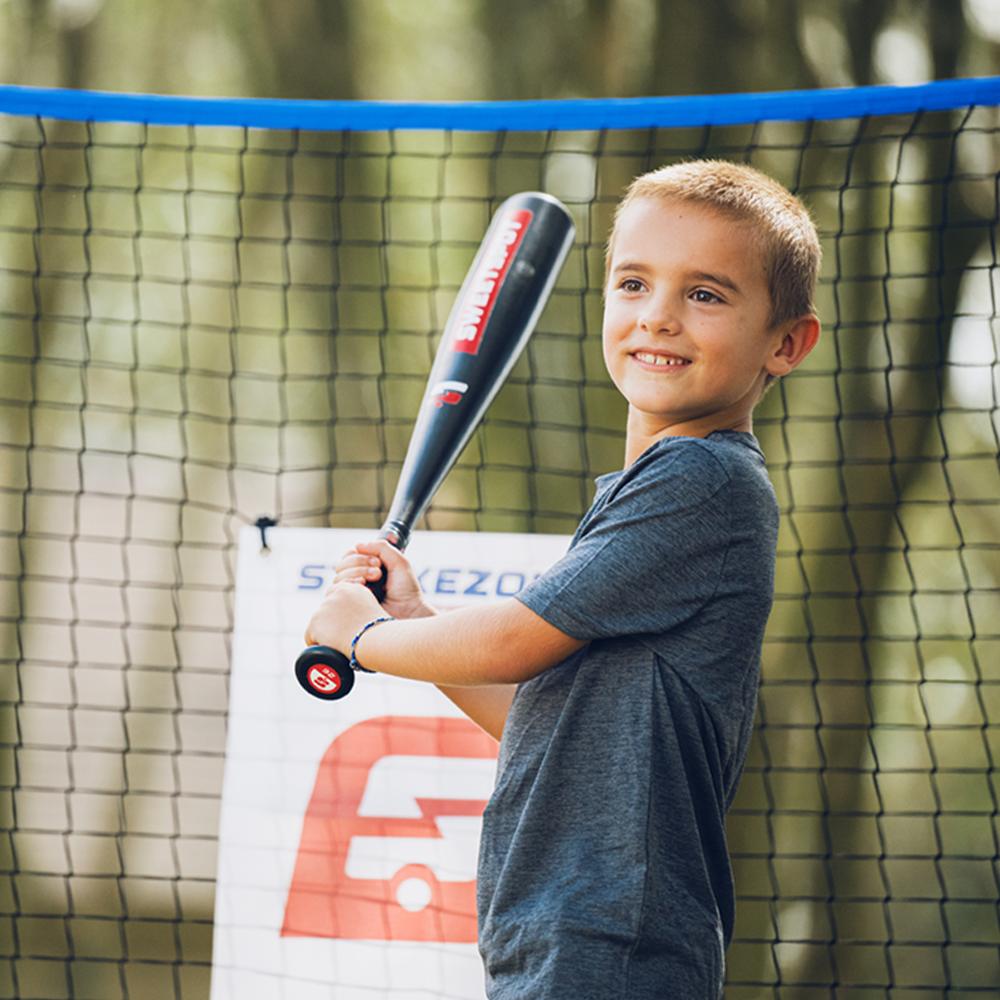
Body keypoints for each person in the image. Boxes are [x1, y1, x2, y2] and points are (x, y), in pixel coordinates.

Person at [304, 159, 822, 999]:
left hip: (611, 937)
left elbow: (513, 641)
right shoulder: (652, 495)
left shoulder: (704, 484)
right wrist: (417, 615)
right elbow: (551, 736)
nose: (658, 316)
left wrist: (362, 637)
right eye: (633, 283)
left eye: (706, 294)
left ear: (786, 342)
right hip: (561, 932)